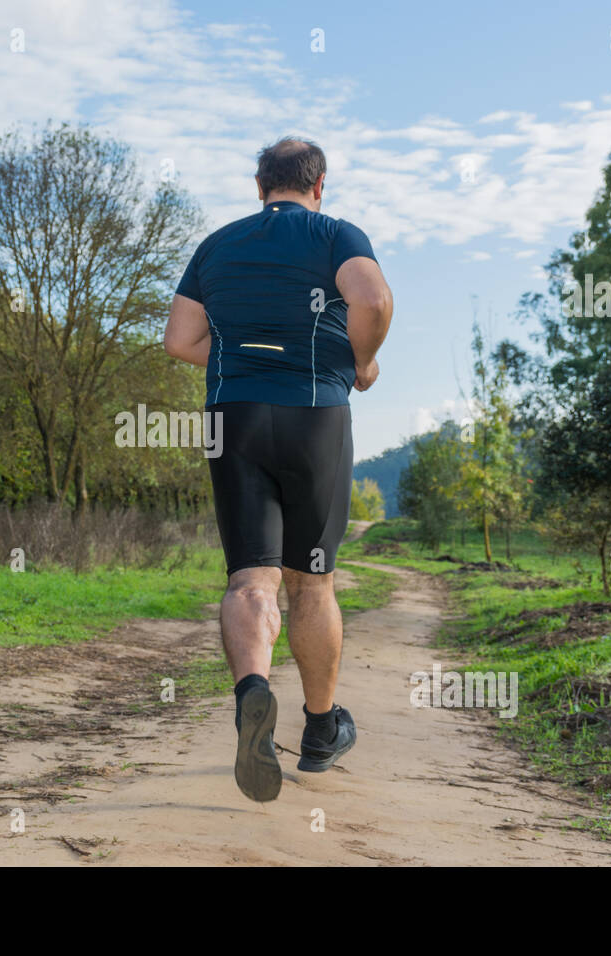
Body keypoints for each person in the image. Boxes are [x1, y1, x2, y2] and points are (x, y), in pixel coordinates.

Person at [163, 137, 393, 802]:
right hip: (316, 415)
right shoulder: (334, 233)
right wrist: (359, 362)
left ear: (259, 185)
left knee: (249, 579)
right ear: (318, 186)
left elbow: (180, 340)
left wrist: (245, 357)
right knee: (312, 585)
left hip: (233, 417)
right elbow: (373, 301)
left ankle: (252, 693)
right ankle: (320, 732)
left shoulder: (219, 245)